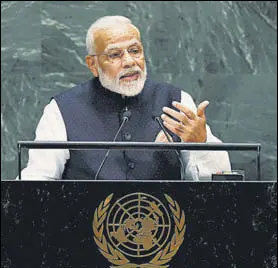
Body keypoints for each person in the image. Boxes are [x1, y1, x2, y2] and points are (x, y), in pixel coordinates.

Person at [18, 15, 231, 181]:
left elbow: (217, 183)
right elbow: (38, 179)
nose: (129, 61)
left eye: (134, 50)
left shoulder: (176, 101)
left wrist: (201, 143)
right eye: (115, 55)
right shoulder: (62, 109)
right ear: (93, 64)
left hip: (165, 230)